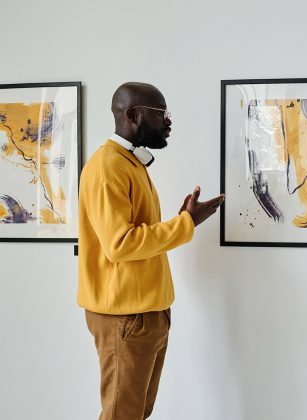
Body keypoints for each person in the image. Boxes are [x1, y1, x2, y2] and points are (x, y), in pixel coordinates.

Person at [77, 82, 224, 420]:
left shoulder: (130, 164)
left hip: (146, 312)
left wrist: (183, 219)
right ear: (133, 115)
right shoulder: (108, 167)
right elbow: (120, 244)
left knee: (136, 412)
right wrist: (186, 222)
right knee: (121, 414)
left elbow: (135, 235)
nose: (168, 122)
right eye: (161, 114)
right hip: (125, 316)